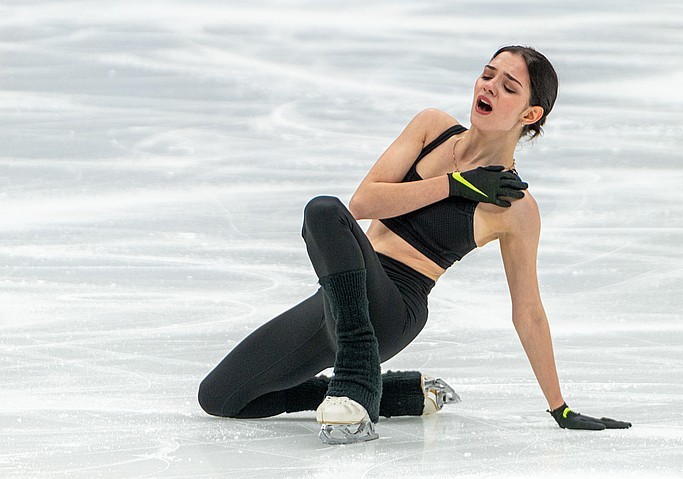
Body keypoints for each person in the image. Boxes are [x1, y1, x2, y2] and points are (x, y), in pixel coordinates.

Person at [198, 45, 632, 444]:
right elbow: (363, 202)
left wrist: (561, 407)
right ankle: (392, 392)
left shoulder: (516, 208)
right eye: (487, 75)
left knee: (323, 212)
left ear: (530, 114)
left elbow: (529, 310)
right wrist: (455, 185)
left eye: (508, 86)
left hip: (393, 309)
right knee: (220, 397)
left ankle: (356, 375)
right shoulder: (432, 128)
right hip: (339, 298)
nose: (489, 87)